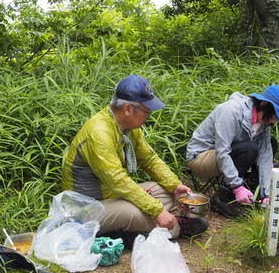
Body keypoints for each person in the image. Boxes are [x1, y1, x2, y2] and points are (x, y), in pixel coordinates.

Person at [61, 74, 209, 244]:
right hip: (85, 207)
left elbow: (149, 159)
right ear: (127, 109)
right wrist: (156, 211)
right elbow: (118, 181)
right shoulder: (99, 132)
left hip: (112, 195)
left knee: (164, 192)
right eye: (146, 111)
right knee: (164, 224)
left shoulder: (129, 128)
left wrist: (174, 186)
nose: (149, 116)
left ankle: (151, 224)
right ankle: (161, 227)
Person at [186, 84, 279, 218]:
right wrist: (237, 186)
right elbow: (223, 152)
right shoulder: (230, 111)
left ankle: (253, 195)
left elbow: (266, 156)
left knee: (271, 143)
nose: (273, 122)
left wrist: (265, 192)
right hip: (201, 157)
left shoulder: (262, 122)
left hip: (227, 155)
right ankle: (223, 199)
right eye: (274, 116)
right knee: (249, 148)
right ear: (264, 103)